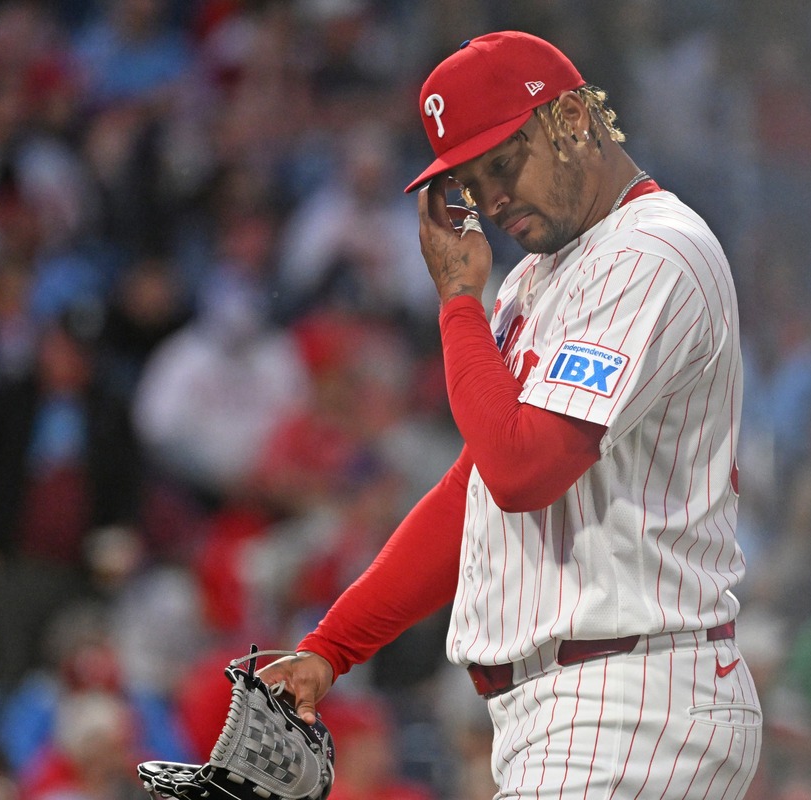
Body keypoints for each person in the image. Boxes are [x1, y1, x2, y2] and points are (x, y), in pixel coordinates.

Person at [260, 31, 761, 798]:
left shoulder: (653, 250)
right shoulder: (536, 279)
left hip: (631, 697)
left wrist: (459, 303)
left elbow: (524, 471)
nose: (489, 199)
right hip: (572, 707)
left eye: (503, 162)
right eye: (468, 179)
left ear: (571, 120)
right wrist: (331, 649)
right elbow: (478, 493)